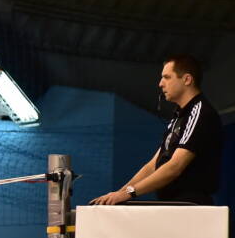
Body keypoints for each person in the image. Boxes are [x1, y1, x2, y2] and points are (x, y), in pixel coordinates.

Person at [91, 54, 223, 206]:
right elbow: (153, 164)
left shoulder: (200, 112)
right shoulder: (178, 115)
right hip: (173, 203)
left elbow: (175, 166)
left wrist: (129, 193)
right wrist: (120, 193)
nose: (161, 84)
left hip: (190, 205)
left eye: (167, 77)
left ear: (187, 79)